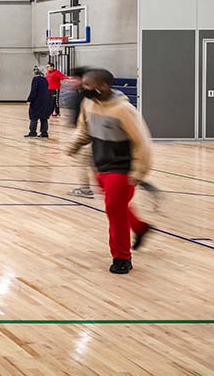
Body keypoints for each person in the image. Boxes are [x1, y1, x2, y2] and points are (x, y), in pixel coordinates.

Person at [65, 68, 153, 275]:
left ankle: (122, 257)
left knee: (114, 211)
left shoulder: (124, 110)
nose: (83, 88)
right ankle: (140, 227)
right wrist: (75, 145)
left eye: (87, 85)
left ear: (102, 86)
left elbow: (142, 143)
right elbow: (84, 130)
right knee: (118, 208)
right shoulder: (88, 104)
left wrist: (138, 173)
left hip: (122, 169)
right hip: (100, 166)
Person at [61, 67, 95, 197]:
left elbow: (87, 125)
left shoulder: (88, 97)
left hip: (90, 136)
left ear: (82, 80)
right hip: (86, 135)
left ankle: (85, 189)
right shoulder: (80, 95)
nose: (70, 81)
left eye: (74, 78)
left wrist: (74, 145)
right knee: (88, 162)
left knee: (84, 161)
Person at [26, 66, 52, 138]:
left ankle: (32, 132)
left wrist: (30, 99)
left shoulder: (36, 79)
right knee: (44, 117)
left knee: (34, 117)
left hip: (37, 101)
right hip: (46, 100)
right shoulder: (45, 79)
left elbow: (33, 91)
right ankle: (44, 133)